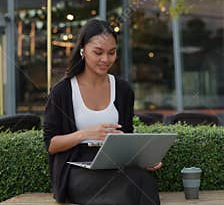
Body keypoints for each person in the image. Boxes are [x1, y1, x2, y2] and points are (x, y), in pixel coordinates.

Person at [43, 19, 162, 205]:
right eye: (98, 52)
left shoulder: (123, 89)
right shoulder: (62, 92)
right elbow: (51, 144)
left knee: (142, 178)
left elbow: (126, 136)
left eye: (111, 53)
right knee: (124, 186)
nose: (105, 59)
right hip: (78, 170)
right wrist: (86, 134)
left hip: (115, 165)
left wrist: (142, 158)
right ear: (83, 50)